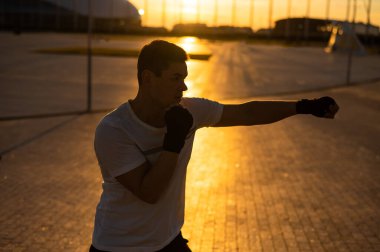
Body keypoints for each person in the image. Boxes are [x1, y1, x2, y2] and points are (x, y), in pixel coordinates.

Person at [90, 40, 339, 252]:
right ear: (147, 78)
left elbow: (247, 113)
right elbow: (149, 193)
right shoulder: (114, 130)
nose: (184, 87)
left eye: (185, 78)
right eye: (175, 78)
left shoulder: (190, 110)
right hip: (119, 246)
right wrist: (174, 140)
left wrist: (304, 106)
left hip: (167, 240)